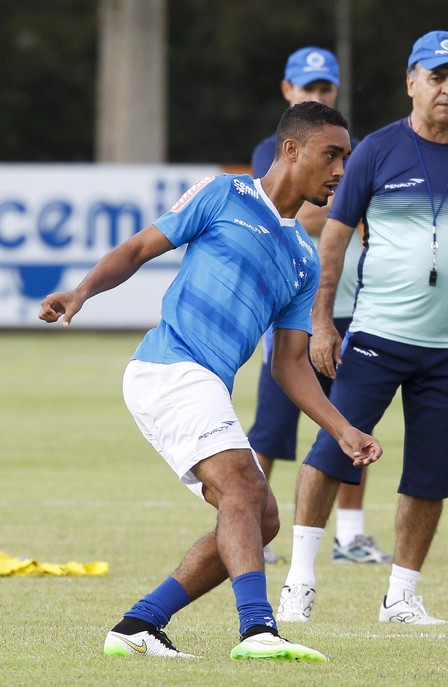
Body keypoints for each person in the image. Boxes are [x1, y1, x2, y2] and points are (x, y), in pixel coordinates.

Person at [38, 102, 381, 661]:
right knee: (246, 490)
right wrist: (81, 291)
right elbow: (137, 249)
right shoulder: (225, 195)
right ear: (291, 150)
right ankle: (257, 630)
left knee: (260, 517)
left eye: (345, 157)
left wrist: (342, 429)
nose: (341, 170)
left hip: (201, 383)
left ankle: (138, 624)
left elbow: (289, 363)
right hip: (170, 366)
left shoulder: (303, 258)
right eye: (332, 155)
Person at [277, 30, 448, 626]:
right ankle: (299, 581)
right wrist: (322, 322)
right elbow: (332, 237)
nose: (447, 88)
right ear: (411, 82)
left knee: (432, 473)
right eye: (436, 77)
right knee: (331, 454)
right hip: (376, 335)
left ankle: (401, 596)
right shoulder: (375, 150)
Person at [248, 46, 390, 567]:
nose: (318, 95)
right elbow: (282, 215)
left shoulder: (346, 152)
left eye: (326, 88)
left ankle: (350, 536)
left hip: (353, 305)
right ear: (287, 91)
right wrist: (344, 209)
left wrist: (339, 209)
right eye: (308, 87)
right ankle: (252, 529)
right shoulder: (276, 147)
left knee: (353, 419)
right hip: (291, 308)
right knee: (270, 428)